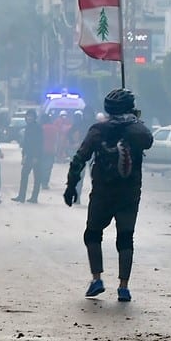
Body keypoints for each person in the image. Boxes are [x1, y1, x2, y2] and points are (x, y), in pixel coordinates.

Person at [63, 88, 154, 303]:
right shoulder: (138, 131)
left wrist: (71, 185)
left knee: (92, 234)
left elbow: (79, 158)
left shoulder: (98, 130)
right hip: (129, 194)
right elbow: (148, 141)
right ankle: (124, 287)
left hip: (103, 192)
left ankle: (97, 279)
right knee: (125, 238)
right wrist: (136, 121)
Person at [12, 109, 44, 203]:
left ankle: (34, 197)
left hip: (36, 156)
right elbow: (26, 143)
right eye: (28, 116)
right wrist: (24, 155)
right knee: (24, 175)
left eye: (31, 116)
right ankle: (21, 196)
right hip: (28, 155)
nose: (29, 118)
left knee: (37, 177)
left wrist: (36, 157)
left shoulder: (38, 128)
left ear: (34, 117)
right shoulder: (27, 128)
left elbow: (39, 143)